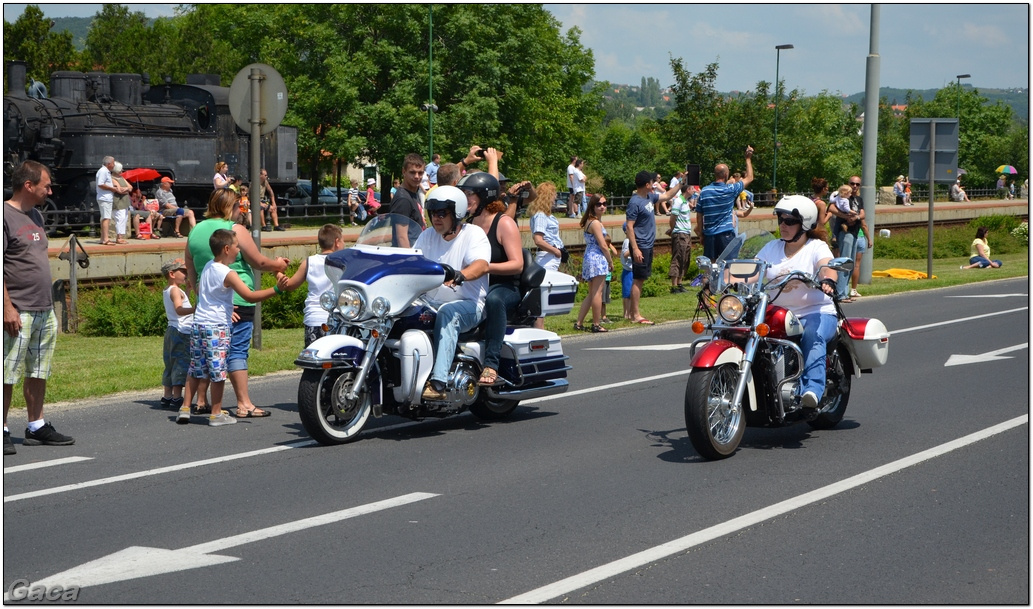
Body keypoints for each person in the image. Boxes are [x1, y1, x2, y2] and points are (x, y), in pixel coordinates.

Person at [185, 188, 290, 419]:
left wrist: (199, 295)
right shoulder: (234, 230)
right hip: (238, 299)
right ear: (229, 207)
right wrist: (279, 265)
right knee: (237, 352)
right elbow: (259, 261)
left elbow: (191, 268)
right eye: (237, 208)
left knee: (208, 354)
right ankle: (244, 403)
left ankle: (201, 401)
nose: (239, 212)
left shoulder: (195, 232)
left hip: (209, 305)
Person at [4, 160, 74, 454]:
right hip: (17, 310)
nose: (50, 190)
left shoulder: (35, 215)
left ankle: (36, 426)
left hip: (43, 308)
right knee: (6, 371)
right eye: (46, 184)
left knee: (39, 370)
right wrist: (6, 308)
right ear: (28, 185)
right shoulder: (4, 216)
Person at [756, 195, 839, 410]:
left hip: (816, 312)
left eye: (790, 221)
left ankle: (812, 390)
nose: (783, 225)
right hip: (778, 314)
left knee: (812, 335)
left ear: (805, 224)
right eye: (780, 220)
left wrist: (828, 279)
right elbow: (750, 270)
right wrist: (720, 278)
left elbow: (826, 265)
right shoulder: (771, 248)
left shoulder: (816, 247)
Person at [413, 186, 490, 401]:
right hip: (429, 302)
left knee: (448, 313)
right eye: (432, 213)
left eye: (441, 213)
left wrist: (460, 275)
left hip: (469, 304)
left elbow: (482, 265)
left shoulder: (473, 235)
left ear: (456, 214)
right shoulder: (427, 236)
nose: (435, 218)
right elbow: (412, 262)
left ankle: (439, 382)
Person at [460, 170, 524, 386]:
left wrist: (486, 268)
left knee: (494, 301)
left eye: (469, 194)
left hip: (503, 286)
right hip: (475, 284)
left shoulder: (504, 223)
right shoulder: (467, 224)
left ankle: (491, 364)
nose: (465, 199)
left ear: (484, 197)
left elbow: (518, 263)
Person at [276, 224, 345, 347]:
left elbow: (289, 285)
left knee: (314, 358)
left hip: (313, 317)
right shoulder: (343, 263)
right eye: (343, 240)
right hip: (337, 318)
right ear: (337, 242)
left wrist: (278, 271)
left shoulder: (309, 262)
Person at [626, 170, 679, 325]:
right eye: (652, 182)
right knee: (638, 279)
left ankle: (631, 313)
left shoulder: (649, 197)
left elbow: (668, 195)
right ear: (647, 184)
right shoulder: (635, 202)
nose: (654, 184)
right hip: (640, 244)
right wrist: (635, 249)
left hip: (647, 245)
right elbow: (629, 227)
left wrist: (682, 183)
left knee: (641, 279)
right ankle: (635, 315)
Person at [697, 146, 755, 260]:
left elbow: (699, 216)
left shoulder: (704, 191)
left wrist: (701, 234)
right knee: (728, 266)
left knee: (710, 268)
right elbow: (749, 178)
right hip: (726, 234)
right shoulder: (730, 190)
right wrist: (748, 159)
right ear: (725, 175)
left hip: (709, 235)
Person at [574, 194, 615, 333]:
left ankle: (579, 323)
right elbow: (603, 245)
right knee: (598, 292)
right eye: (599, 204)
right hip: (597, 257)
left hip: (589, 256)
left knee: (592, 293)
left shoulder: (590, 221)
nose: (602, 206)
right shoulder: (596, 223)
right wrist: (610, 261)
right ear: (592, 206)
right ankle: (596, 324)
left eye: (604, 203)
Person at [160, 258, 194, 410]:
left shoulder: (169, 290)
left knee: (170, 362)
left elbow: (179, 300)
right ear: (172, 273)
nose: (186, 274)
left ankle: (167, 396)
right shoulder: (175, 290)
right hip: (182, 331)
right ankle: (177, 397)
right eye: (183, 271)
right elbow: (179, 310)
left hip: (172, 329)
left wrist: (187, 290)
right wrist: (197, 309)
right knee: (180, 362)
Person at [827, 178, 865, 300]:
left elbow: (863, 214)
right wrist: (845, 216)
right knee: (844, 264)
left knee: (851, 264)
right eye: (852, 183)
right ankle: (840, 294)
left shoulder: (858, 199)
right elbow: (831, 208)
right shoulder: (842, 196)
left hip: (854, 233)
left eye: (857, 184)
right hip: (845, 232)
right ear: (848, 184)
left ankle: (844, 292)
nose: (854, 186)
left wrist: (856, 217)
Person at [388, 153, 427, 246]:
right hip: (408, 255)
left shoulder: (413, 192)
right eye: (412, 172)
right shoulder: (403, 199)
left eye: (420, 173)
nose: (417, 176)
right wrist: (410, 259)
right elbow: (401, 237)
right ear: (404, 172)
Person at [667, 182, 695, 293]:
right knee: (678, 258)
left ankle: (680, 282)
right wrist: (673, 229)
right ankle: (674, 285)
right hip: (680, 234)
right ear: (687, 189)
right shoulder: (678, 201)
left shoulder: (685, 202)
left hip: (686, 233)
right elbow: (673, 217)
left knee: (685, 258)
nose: (694, 191)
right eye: (692, 188)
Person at [95, 155, 118, 245]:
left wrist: (112, 187)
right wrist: (111, 188)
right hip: (105, 198)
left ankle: (102, 238)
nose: (114, 165)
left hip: (105, 197)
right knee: (106, 218)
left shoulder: (105, 171)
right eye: (113, 163)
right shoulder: (103, 171)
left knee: (104, 218)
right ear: (109, 164)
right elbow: (100, 184)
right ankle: (105, 239)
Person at [111, 162, 132, 245]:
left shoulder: (121, 178)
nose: (122, 171)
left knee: (124, 219)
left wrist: (126, 189)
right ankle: (119, 237)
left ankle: (121, 237)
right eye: (120, 170)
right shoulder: (112, 179)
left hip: (125, 201)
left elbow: (130, 187)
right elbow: (119, 190)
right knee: (120, 219)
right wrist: (126, 189)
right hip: (118, 201)